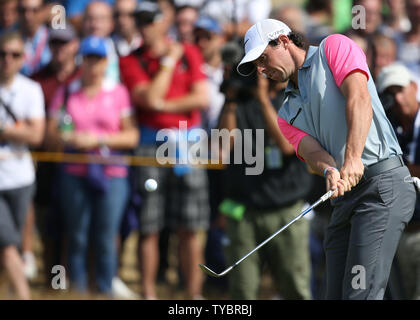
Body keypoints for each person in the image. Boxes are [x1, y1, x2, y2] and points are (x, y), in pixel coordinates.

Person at [236, 18, 416, 300]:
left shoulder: (334, 47)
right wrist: (330, 169)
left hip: (382, 186)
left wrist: (354, 157)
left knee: (360, 293)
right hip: (345, 198)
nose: (261, 70)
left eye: (263, 59)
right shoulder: (285, 113)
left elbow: (358, 97)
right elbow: (313, 154)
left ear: (283, 41)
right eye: (256, 65)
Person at [119, 1, 210, 299]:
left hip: (188, 146)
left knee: (191, 226)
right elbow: (147, 98)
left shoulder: (191, 52)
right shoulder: (131, 60)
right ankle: (148, 293)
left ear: (163, 22)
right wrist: (169, 63)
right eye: (141, 21)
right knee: (149, 225)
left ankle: (194, 295)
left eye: (151, 21)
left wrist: (163, 105)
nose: (146, 27)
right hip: (150, 146)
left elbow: (201, 98)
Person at [46, 35, 139, 296]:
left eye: (98, 59)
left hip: (112, 172)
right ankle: (78, 289)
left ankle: (106, 287)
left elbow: (130, 135)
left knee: (106, 236)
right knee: (77, 234)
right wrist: (68, 138)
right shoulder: (68, 91)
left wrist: (98, 138)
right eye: (88, 58)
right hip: (74, 172)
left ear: (105, 62)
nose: (93, 65)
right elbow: (50, 133)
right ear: (82, 60)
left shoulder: (118, 92)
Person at [217, 65, 313, 299]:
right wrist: (231, 100)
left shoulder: (294, 97)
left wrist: (262, 99)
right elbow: (223, 148)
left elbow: (286, 145)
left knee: (295, 287)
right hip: (244, 211)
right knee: (243, 290)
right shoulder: (238, 102)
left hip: (287, 211)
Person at [31, 24, 81, 286]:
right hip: (49, 162)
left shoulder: (85, 76)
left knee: (77, 223)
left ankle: (78, 278)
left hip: (80, 161)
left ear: (75, 46)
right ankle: (54, 281)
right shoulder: (38, 79)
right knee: (50, 224)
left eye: (65, 43)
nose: (59, 49)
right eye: (55, 43)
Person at [0, 31, 45, 299]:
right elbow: (27, 131)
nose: (7, 60)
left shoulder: (31, 89)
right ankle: (24, 295)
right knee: (7, 245)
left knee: (11, 246)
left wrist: (4, 130)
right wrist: (19, 128)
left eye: (14, 54)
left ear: (23, 58)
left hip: (21, 178)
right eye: (2, 54)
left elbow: (36, 135)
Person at [376, 63, 420, 299]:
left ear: (414, 87)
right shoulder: (388, 131)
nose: (398, 98)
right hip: (398, 233)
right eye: (390, 94)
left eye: (400, 90)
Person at [82, 0, 120, 83]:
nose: (95, 24)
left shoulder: (122, 51)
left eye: (101, 19)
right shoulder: (70, 50)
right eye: (90, 18)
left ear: (112, 23)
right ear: (83, 22)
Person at [18, 0, 51, 76]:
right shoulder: (7, 41)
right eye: (23, 10)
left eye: (34, 10)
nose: (28, 16)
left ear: (44, 11)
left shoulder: (55, 39)